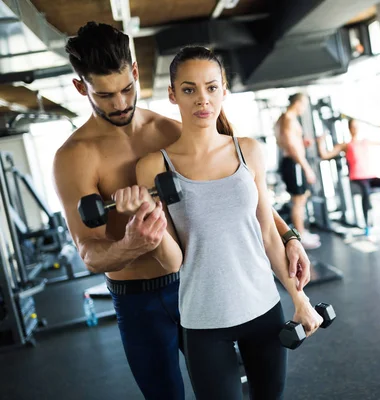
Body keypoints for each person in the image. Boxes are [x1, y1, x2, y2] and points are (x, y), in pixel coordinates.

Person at [52, 22, 312, 400]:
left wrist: (288, 235)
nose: (121, 103)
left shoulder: (171, 130)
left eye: (127, 89)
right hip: (138, 296)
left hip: (199, 283)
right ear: (81, 88)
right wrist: (130, 243)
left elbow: (240, 187)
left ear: (137, 73)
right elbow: (89, 252)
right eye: (105, 95)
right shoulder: (74, 157)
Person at [126, 45, 323, 399]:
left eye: (212, 87)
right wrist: (145, 217)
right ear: (173, 95)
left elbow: (267, 231)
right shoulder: (153, 167)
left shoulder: (247, 149)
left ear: (224, 91)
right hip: (203, 320)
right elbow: (173, 261)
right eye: (189, 89)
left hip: (263, 308)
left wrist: (300, 299)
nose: (203, 99)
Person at [317, 118, 380, 236]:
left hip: (371, 177)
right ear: (349, 128)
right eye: (353, 126)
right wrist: (320, 142)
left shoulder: (365, 141)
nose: (355, 129)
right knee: (366, 192)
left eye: (357, 126)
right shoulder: (346, 145)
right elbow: (325, 155)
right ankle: (367, 225)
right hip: (357, 178)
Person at [274, 93, 321, 249]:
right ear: (299, 103)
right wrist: (306, 168)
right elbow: (291, 146)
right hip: (294, 163)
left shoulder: (283, 118)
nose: (304, 108)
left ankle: (302, 232)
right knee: (298, 201)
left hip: (292, 161)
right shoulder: (288, 118)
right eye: (304, 105)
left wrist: (302, 143)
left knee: (301, 198)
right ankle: (300, 236)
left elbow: (289, 142)